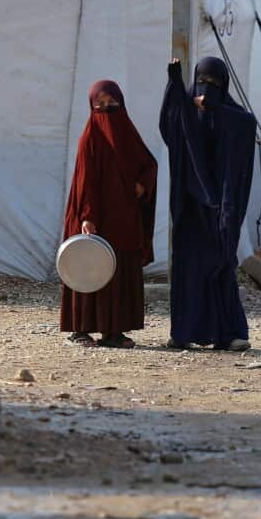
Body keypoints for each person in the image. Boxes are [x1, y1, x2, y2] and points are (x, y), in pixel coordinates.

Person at [159, 56, 256, 351]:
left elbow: (247, 123)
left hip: (221, 206)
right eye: (203, 81)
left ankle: (229, 333)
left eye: (214, 84)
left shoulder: (231, 114)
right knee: (188, 268)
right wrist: (174, 84)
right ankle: (184, 332)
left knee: (221, 263)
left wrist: (216, 109)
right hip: (190, 206)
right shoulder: (188, 107)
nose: (206, 88)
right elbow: (171, 127)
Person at [60, 80, 157, 348]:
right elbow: (85, 181)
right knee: (88, 266)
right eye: (99, 105)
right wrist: (87, 216)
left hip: (123, 218)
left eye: (112, 104)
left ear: (121, 104)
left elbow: (149, 163)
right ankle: (80, 330)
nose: (106, 110)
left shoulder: (128, 134)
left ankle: (113, 332)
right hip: (94, 218)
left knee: (118, 268)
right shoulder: (90, 137)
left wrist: (142, 185)